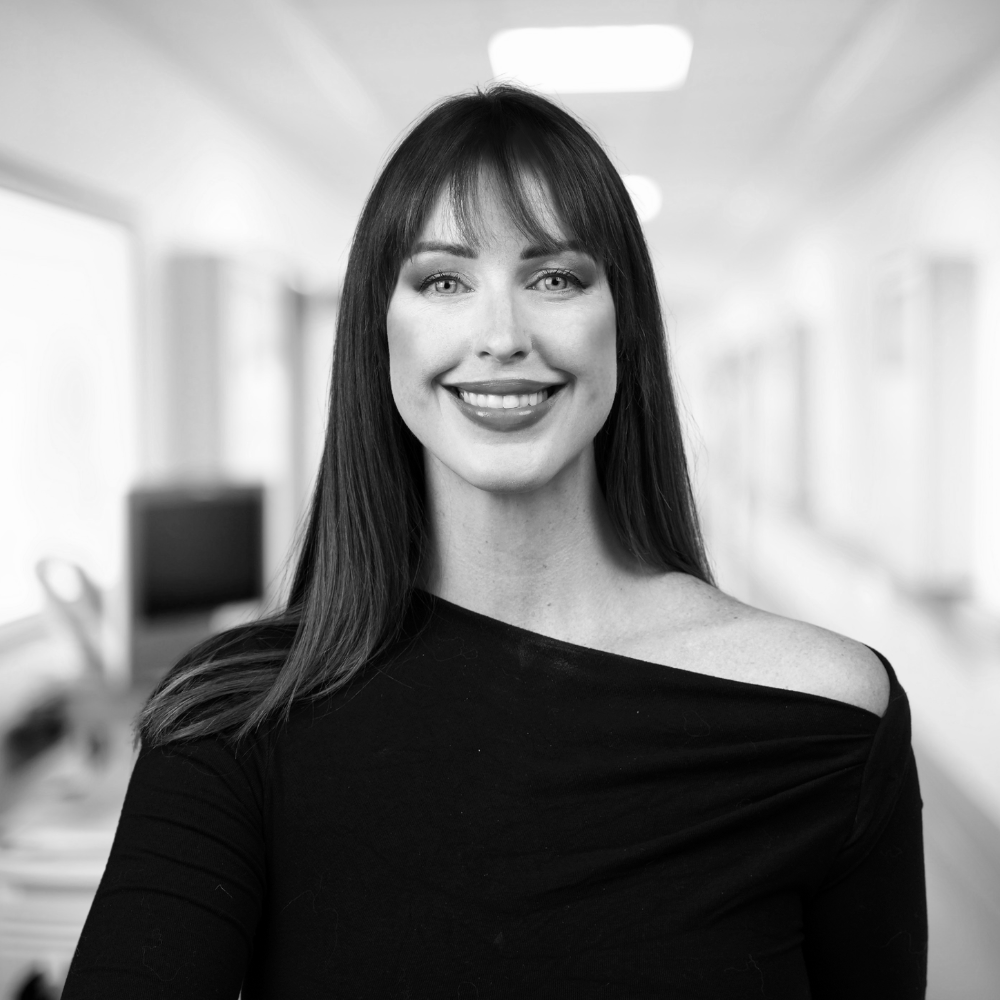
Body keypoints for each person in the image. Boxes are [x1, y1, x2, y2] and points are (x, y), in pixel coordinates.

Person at [62, 85, 927, 999]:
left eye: (555, 278)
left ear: (622, 324)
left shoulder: (831, 719)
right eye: (443, 280)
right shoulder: (233, 724)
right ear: (378, 334)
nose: (503, 336)